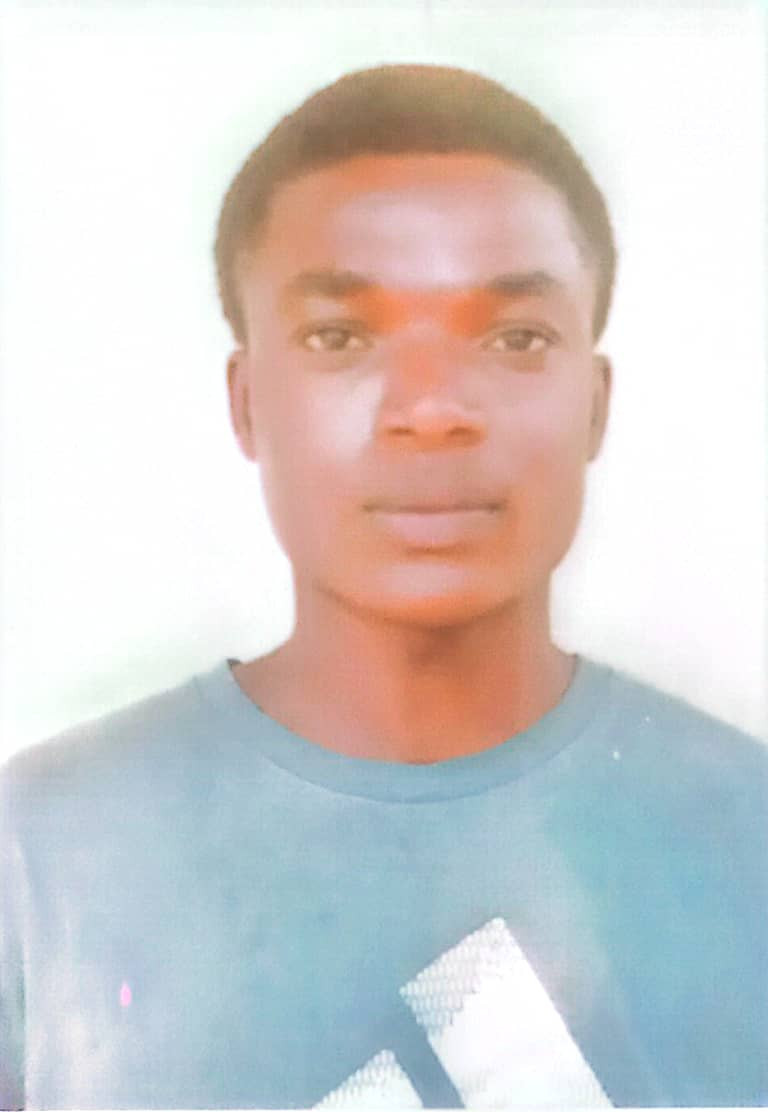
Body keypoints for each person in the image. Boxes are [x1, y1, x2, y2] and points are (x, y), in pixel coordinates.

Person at [0, 63, 765, 1110]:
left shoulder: (747, 834)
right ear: (246, 403)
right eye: (341, 338)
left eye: (515, 338)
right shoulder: (43, 851)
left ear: (595, 404)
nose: (432, 409)